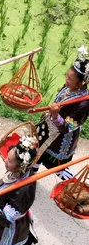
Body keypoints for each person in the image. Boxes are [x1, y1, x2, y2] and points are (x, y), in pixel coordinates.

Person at [31, 46, 89, 180]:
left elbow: (67, 128)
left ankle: (75, 184)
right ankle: (31, 177)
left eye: (70, 78)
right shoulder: (68, 87)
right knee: (37, 154)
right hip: (48, 128)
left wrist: (56, 116)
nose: (66, 79)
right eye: (67, 76)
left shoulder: (84, 104)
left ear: (80, 83)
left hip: (60, 139)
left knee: (55, 167)